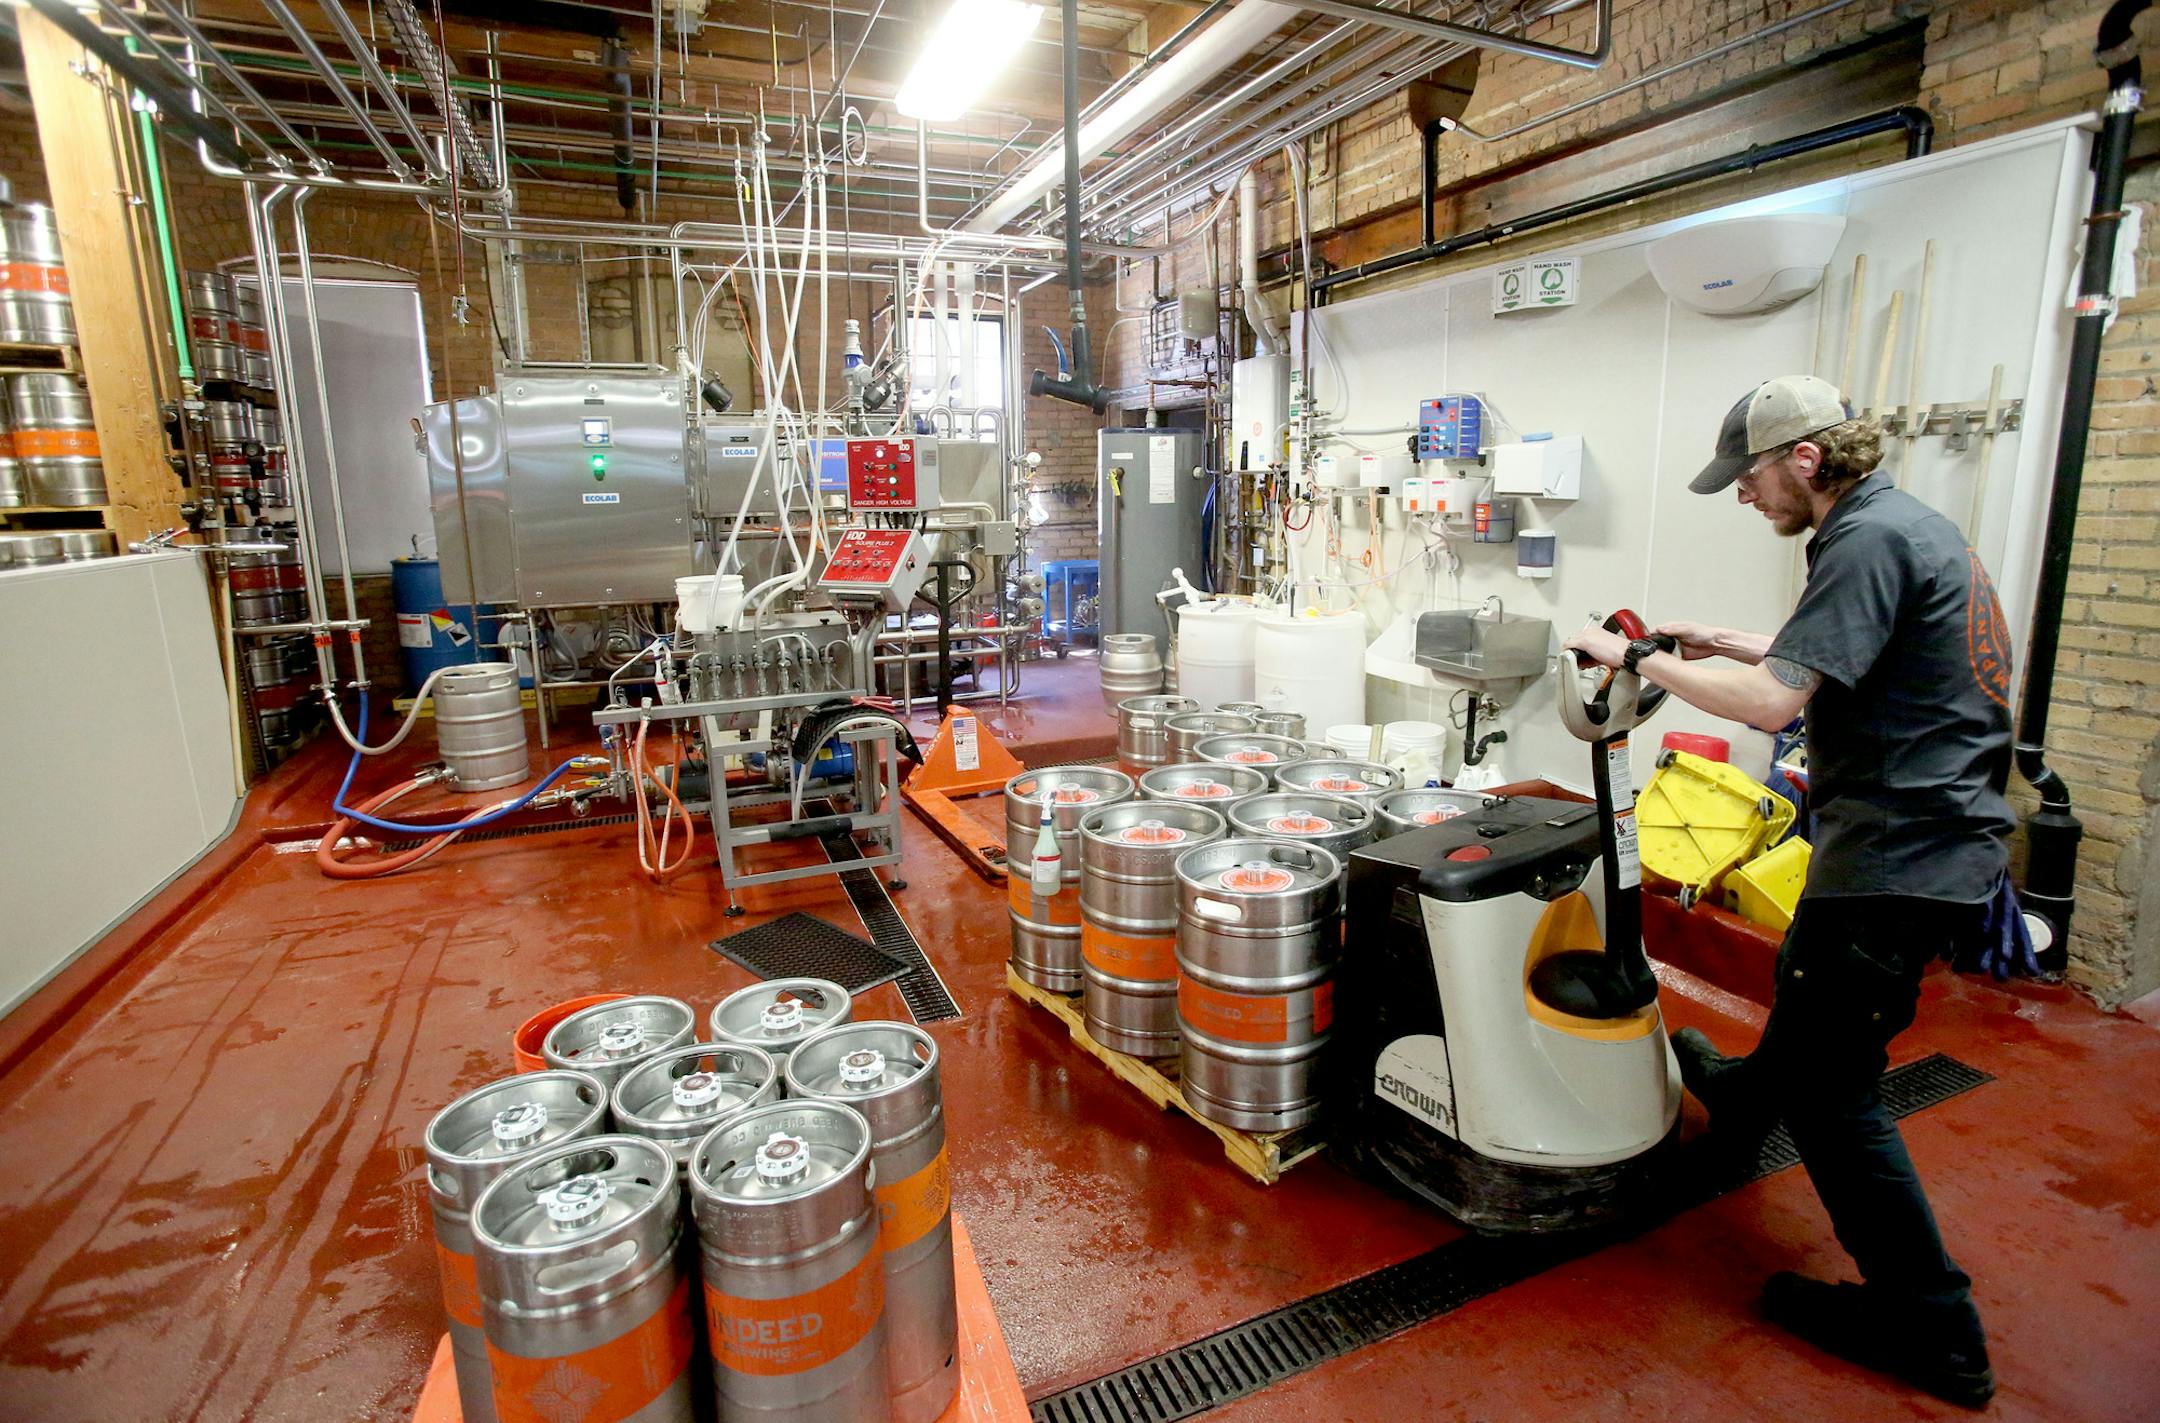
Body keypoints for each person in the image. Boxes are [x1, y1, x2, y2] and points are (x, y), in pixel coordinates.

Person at [1562, 375, 2011, 1410]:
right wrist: (1724, 641)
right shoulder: (1904, 526)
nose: (1743, 494)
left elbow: (1774, 706)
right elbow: (1835, 657)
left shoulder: (1862, 539)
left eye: (1751, 475)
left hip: (1898, 857)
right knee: (1811, 1002)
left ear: (1805, 459)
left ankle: (1932, 1324)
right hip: (1935, 842)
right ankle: (1743, 1096)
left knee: (1834, 1088)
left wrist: (1631, 658)